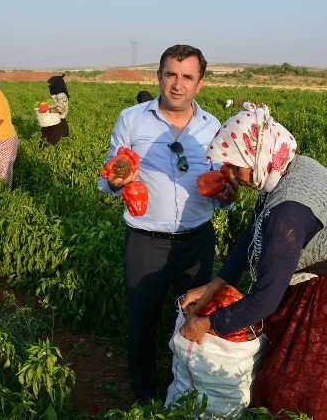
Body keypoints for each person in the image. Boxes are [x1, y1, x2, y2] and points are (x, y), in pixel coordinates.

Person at [180, 103, 327, 420]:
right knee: (291, 366)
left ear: (255, 156)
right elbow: (252, 231)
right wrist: (213, 286)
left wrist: (207, 324)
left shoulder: (287, 214)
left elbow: (265, 299)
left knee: (294, 388)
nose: (229, 175)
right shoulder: (282, 167)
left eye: (234, 166)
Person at [98, 44, 239, 403]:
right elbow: (109, 175)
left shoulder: (213, 128)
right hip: (146, 241)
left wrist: (229, 197)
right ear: (159, 76)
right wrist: (115, 181)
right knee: (142, 320)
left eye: (187, 77)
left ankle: (186, 390)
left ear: (200, 83)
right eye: (171, 75)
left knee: (193, 319)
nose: (178, 84)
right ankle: (144, 394)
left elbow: (223, 188)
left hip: (197, 240)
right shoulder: (131, 119)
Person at [39, 74, 70, 145]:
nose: (50, 86)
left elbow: (61, 109)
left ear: (56, 85)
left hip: (59, 124)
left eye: (51, 84)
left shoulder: (62, 95)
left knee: (55, 143)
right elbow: (56, 105)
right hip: (53, 121)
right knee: (48, 142)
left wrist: (48, 108)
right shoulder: (57, 95)